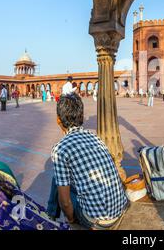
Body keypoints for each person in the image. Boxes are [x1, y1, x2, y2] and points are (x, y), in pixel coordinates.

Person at [47, 93, 128, 229]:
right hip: (119, 210)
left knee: (58, 181)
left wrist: (72, 219)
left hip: (96, 221)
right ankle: (51, 214)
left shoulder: (60, 149)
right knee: (62, 179)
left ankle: (50, 215)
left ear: (58, 120)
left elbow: (66, 203)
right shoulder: (94, 137)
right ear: (82, 117)